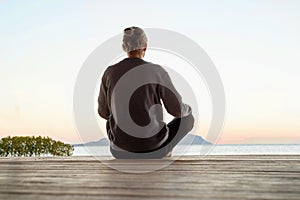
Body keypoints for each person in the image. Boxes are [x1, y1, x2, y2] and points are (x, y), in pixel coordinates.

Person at [98, 26, 194, 159]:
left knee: (111, 118)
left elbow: (103, 113)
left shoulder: (109, 72)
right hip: (154, 149)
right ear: (145, 46)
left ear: (124, 47)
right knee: (188, 119)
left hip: (119, 151)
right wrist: (188, 109)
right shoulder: (157, 71)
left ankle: (127, 144)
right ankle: (166, 150)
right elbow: (177, 110)